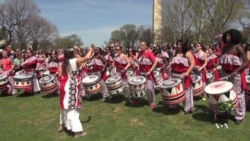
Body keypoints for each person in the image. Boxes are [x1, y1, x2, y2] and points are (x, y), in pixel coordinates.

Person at [57, 46, 93, 137]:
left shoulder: (64, 63)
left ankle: (67, 125)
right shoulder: (72, 61)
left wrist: (76, 54)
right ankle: (77, 132)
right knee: (73, 110)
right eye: (74, 52)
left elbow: (60, 74)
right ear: (71, 54)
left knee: (68, 108)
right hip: (71, 87)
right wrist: (91, 50)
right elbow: (86, 58)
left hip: (65, 86)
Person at [220, 29, 249, 125]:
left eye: (229, 36)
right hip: (225, 74)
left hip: (236, 75)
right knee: (225, 94)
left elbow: (246, 62)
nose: (227, 37)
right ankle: (226, 110)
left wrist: (235, 71)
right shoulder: (224, 48)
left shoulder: (238, 48)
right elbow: (222, 61)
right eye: (226, 35)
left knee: (238, 95)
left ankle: (239, 115)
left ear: (234, 37)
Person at [169, 40, 195, 114]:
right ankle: (174, 105)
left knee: (186, 92)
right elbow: (173, 63)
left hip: (184, 75)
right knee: (175, 91)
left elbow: (193, 63)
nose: (178, 46)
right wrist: (169, 66)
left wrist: (187, 72)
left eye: (180, 44)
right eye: (177, 44)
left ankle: (188, 107)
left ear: (183, 45)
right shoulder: (175, 53)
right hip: (175, 75)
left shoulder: (187, 53)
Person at [135, 41, 158, 109]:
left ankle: (152, 102)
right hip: (141, 72)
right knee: (138, 87)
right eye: (140, 45)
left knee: (150, 88)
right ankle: (138, 99)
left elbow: (155, 63)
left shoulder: (149, 52)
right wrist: (136, 60)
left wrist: (150, 71)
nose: (140, 46)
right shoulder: (140, 53)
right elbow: (139, 62)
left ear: (146, 46)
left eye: (142, 45)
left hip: (148, 73)